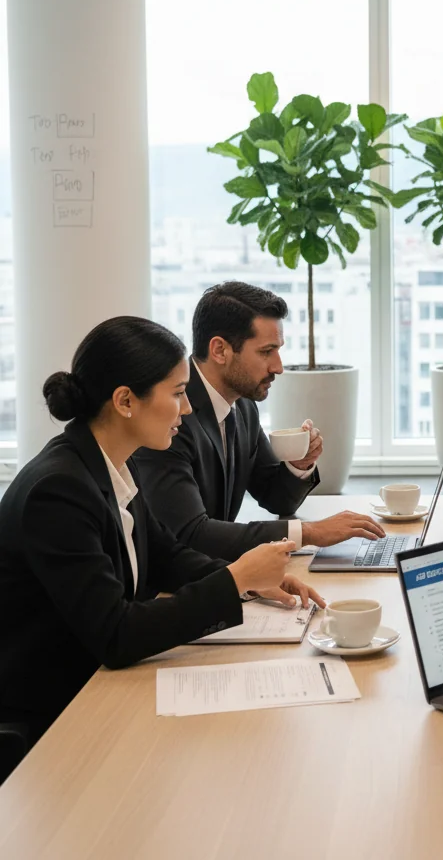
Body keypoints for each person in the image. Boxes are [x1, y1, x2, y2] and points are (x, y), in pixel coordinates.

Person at [0, 317, 325, 745]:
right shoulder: (58, 491)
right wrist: (235, 579)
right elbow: (116, 634)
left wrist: (252, 583)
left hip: (100, 688)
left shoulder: (114, 461)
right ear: (125, 401)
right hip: (57, 713)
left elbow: (167, 556)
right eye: (177, 394)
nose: (188, 409)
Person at [134, 282, 384, 562]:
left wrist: (299, 466)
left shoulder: (242, 405)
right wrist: (309, 532)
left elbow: (276, 498)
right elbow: (191, 534)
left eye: (278, 350)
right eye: (266, 352)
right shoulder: (171, 416)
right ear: (219, 350)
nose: (278, 366)